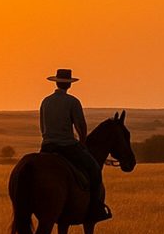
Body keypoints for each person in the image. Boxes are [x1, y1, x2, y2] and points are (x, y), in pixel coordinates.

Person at [39, 68, 111, 223]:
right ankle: (96, 208)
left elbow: (42, 127)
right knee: (94, 170)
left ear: (56, 82)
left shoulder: (46, 101)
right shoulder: (72, 101)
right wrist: (82, 144)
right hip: (67, 146)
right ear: (69, 85)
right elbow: (81, 126)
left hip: (47, 146)